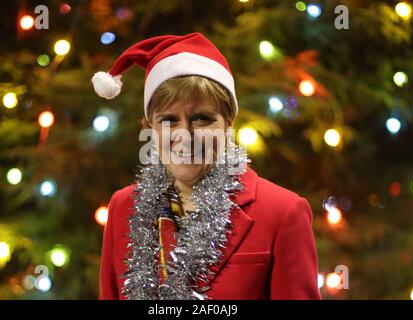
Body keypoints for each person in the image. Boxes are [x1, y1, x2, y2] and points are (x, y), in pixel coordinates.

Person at [92, 32, 321, 300]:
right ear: (150, 127)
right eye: (168, 120)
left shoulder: (283, 212)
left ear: (228, 123)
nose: (185, 135)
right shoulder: (122, 206)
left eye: (202, 119)